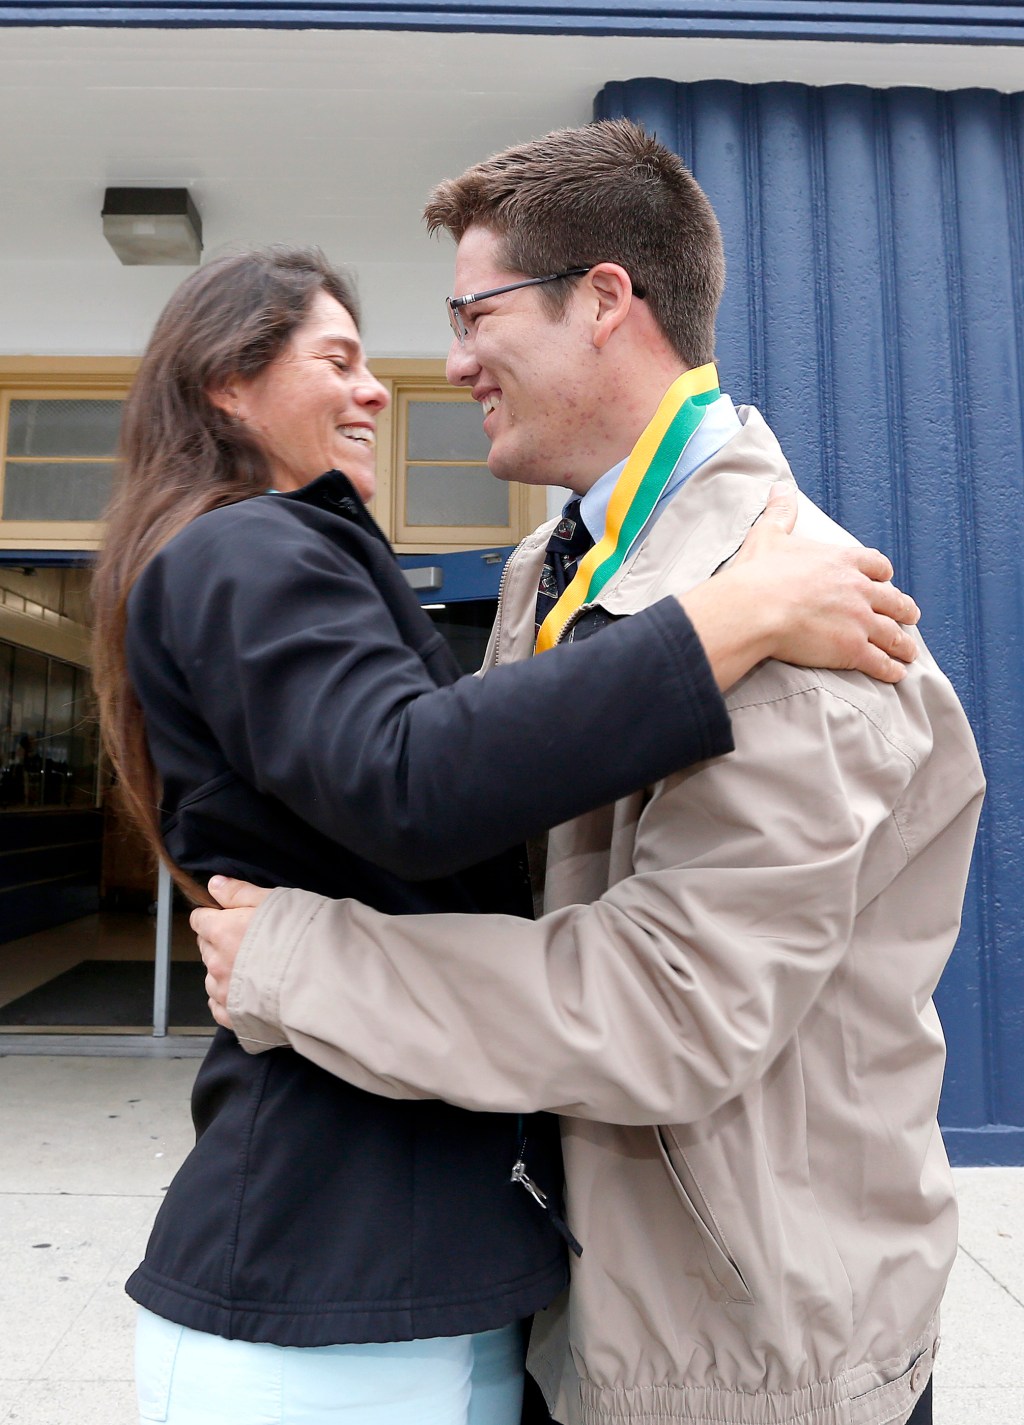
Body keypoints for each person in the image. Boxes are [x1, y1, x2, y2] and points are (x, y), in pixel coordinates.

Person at [194, 123, 984, 1425]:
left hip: (742, 1365)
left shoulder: (804, 620)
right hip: (590, 1313)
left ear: (606, 299)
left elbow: (667, 1006)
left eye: (474, 313)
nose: (448, 364)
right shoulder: (549, 572)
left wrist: (300, 963)